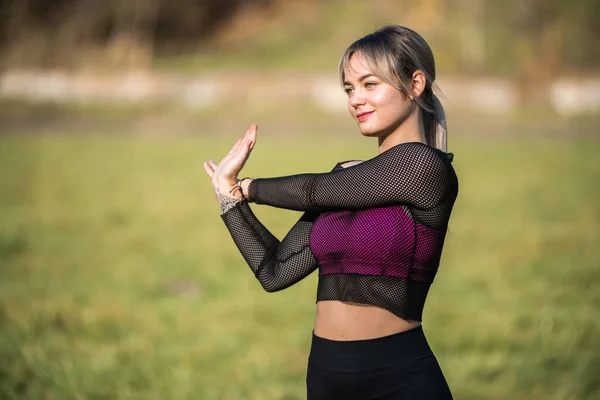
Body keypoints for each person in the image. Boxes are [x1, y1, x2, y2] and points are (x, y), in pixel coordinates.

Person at [203, 25, 458, 400]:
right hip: (326, 378)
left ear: (415, 84)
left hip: (399, 379)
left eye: (370, 84)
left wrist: (248, 187)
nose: (356, 99)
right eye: (349, 89)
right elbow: (273, 271)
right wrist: (229, 197)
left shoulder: (425, 167)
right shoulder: (345, 180)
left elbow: (311, 191)